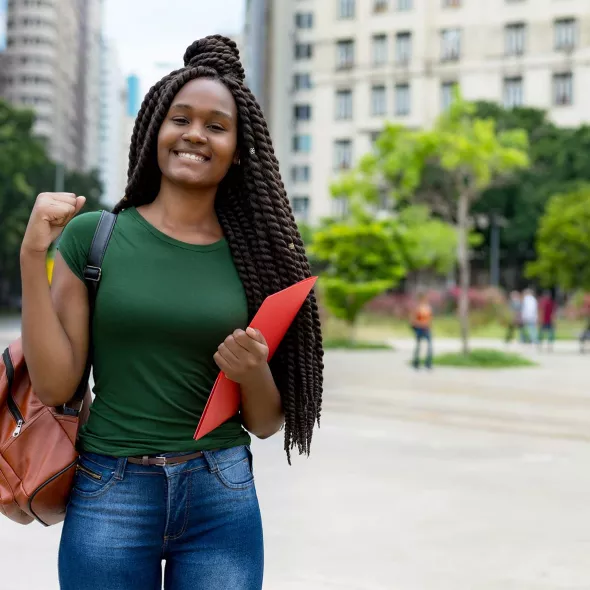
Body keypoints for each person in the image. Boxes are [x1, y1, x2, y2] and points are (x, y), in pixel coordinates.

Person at [19, 36, 323, 590]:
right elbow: (56, 381)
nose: (195, 134)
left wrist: (252, 370)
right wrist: (31, 254)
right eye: (180, 118)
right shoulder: (95, 239)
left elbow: (263, 422)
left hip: (220, 492)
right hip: (110, 486)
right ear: (155, 128)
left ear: (238, 146)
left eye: (216, 125)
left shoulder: (257, 259)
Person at [411, 291, 433, 369]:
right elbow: (414, 319)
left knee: (429, 346)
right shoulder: (418, 308)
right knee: (418, 346)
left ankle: (428, 362)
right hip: (420, 328)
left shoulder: (428, 308)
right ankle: (416, 361)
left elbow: (430, 318)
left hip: (426, 328)